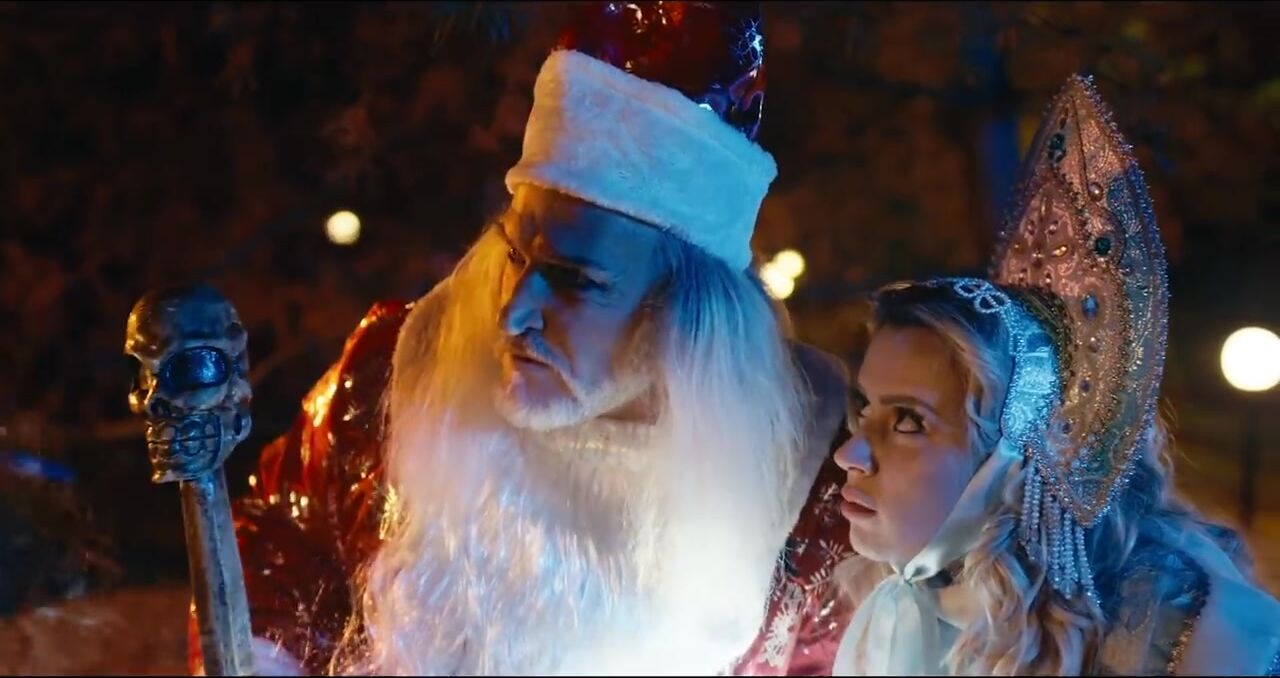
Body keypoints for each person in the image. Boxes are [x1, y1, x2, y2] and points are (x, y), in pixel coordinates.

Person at [188, 3, 856, 675]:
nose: (513, 313)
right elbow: (282, 543)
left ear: (688, 316)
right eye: (514, 254)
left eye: (574, 279)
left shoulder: (816, 494)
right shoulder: (393, 376)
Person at [828, 74, 1280, 675]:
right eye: (865, 410)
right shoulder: (897, 605)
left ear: (1015, 464)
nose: (851, 453)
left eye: (909, 420)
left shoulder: (1186, 642)